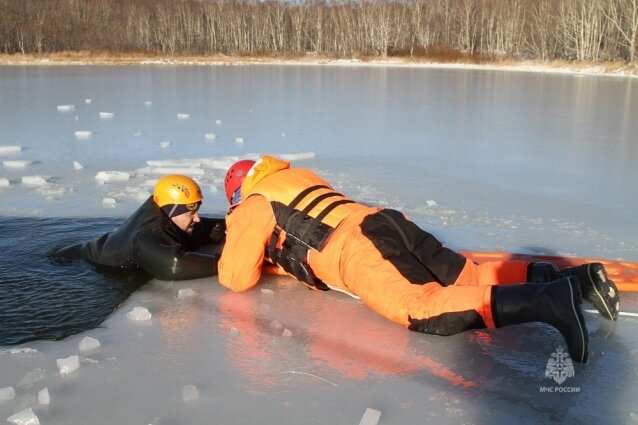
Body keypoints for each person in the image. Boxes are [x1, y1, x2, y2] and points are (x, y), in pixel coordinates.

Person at [218, 155, 621, 364]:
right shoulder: (298, 177)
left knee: (420, 308)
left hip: (354, 249)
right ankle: (577, 279)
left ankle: (547, 302)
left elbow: (236, 277)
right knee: (469, 274)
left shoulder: (252, 204)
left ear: (237, 192)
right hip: (386, 221)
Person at [52, 174, 225, 281]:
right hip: (71, 264)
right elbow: (172, 266)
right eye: (191, 213)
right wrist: (229, 263)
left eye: (197, 211)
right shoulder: (149, 234)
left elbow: (208, 228)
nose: (197, 218)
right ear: (172, 211)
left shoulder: (171, 216)